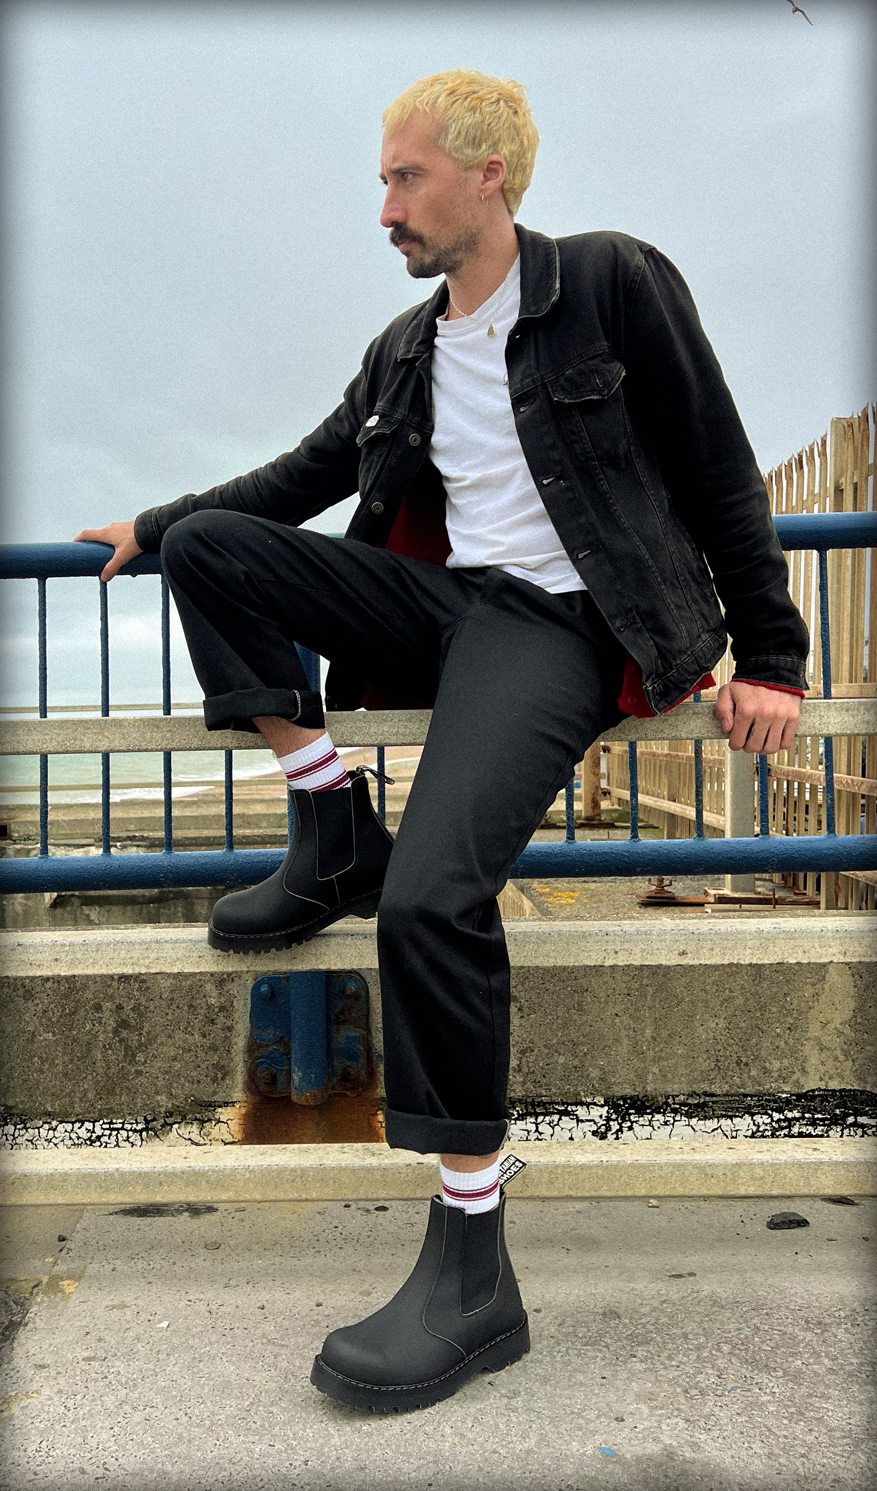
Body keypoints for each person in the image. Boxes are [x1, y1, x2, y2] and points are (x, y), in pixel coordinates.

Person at [76, 70, 809, 1412]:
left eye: (404, 179)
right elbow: (303, 478)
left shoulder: (609, 283)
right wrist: (156, 523)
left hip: (562, 625)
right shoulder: (407, 350)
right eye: (383, 181)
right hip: (445, 608)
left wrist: (772, 655)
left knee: (433, 901)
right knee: (215, 550)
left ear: (489, 176)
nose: (385, 210)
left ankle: (474, 1272)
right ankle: (330, 824)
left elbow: (717, 463)